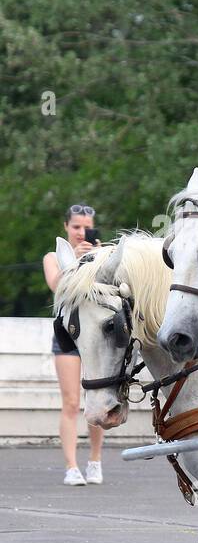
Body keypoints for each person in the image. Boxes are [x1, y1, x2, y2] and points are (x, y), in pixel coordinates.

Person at [42, 204, 105, 486]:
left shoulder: (99, 253)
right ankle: (71, 466)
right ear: (66, 226)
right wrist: (75, 261)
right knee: (70, 402)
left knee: (100, 401)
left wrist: (96, 258)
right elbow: (57, 286)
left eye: (86, 227)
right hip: (68, 333)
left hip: (94, 334)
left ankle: (95, 460)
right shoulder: (54, 256)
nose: (81, 233)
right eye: (76, 227)